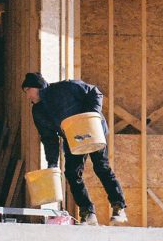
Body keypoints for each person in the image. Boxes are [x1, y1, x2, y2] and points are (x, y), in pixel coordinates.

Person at [21, 72, 127, 226]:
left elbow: (95, 92)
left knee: (101, 167)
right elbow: (49, 138)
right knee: (72, 173)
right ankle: (87, 213)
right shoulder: (38, 111)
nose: (28, 96)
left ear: (37, 86)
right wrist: (52, 163)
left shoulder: (65, 87)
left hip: (92, 130)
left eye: (28, 90)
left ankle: (118, 207)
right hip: (72, 138)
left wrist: (92, 117)